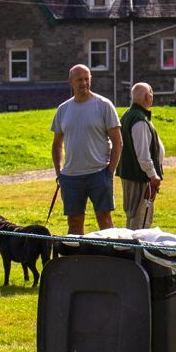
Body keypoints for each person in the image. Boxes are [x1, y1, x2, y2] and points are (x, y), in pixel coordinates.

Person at [51, 64, 122, 235]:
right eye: (79, 79)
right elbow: (56, 144)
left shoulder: (104, 105)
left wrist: (109, 171)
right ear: (70, 82)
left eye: (86, 79)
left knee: (105, 221)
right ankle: (77, 260)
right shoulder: (63, 109)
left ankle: (109, 259)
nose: (84, 83)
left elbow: (118, 142)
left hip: (99, 174)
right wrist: (59, 172)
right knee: (74, 224)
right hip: (71, 177)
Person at [118, 82, 165, 230]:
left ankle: (132, 249)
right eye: (151, 93)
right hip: (139, 177)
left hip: (132, 175)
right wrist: (153, 175)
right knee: (140, 217)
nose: (152, 96)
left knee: (134, 215)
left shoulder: (128, 115)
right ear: (147, 97)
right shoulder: (139, 120)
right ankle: (136, 250)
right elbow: (143, 154)